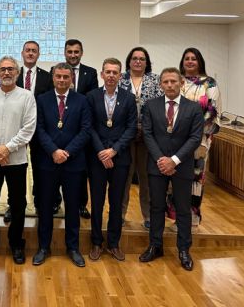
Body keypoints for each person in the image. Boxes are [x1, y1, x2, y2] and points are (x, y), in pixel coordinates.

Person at [139, 67, 204, 271]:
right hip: (157, 165)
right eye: (165, 82)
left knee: (183, 209)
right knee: (156, 206)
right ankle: (155, 246)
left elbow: (195, 138)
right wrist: (161, 159)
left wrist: (174, 160)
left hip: (182, 166)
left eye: (173, 81)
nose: (169, 85)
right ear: (160, 85)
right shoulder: (151, 106)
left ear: (181, 83)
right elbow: (147, 134)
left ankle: (183, 249)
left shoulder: (193, 108)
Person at [0, 56, 36, 264]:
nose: (7, 73)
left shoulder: (27, 97)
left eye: (11, 69)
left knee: (18, 204)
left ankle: (16, 243)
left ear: (17, 73)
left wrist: (7, 149)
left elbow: (28, 128)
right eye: (3, 69)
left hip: (17, 160)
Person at [33, 62, 91, 268]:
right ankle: (43, 247)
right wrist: (53, 151)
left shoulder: (82, 101)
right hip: (47, 162)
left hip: (73, 163)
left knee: (73, 207)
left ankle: (73, 248)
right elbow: (38, 129)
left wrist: (66, 152)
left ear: (71, 79)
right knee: (46, 206)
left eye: (66, 77)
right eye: (58, 76)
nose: (62, 80)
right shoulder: (41, 100)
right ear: (53, 77)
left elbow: (85, 130)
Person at [86, 58, 137, 262]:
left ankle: (114, 243)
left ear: (120, 75)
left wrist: (113, 151)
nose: (111, 75)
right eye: (107, 72)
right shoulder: (91, 96)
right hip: (97, 158)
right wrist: (101, 151)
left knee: (116, 202)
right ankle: (96, 242)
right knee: (97, 202)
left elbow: (131, 128)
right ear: (101, 74)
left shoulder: (128, 98)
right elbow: (88, 126)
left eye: (115, 72)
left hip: (120, 158)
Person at [177, 47, 221, 227]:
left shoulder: (209, 83)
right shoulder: (177, 81)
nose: (189, 61)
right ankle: (177, 217)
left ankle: (192, 218)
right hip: (176, 139)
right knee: (176, 178)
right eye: (186, 58)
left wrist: (194, 132)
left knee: (195, 177)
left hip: (199, 140)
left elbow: (212, 111)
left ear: (199, 61)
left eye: (193, 59)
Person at [119, 47, 163, 229]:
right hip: (125, 136)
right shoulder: (120, 79)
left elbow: (159, 106)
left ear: (147, 62)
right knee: (124, 177)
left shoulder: (155, 80)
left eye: (142, 59)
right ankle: (120, 214)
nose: (138, 61)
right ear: (129, 61)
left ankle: (148, 216)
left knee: (146, 178)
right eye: (134, 58)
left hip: (148, 136)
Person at [61, 38, 98, 219]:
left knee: (80, 169)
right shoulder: (56, 70)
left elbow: (90, 99)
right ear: (65, 53)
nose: (73, 55)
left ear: (81, 53)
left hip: (80, 126)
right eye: (70, 51)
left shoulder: (90, 73)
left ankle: (81, 204)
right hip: (59, 126)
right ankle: (55, 202)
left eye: (76, 52)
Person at [15, 40, 52, 216]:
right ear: (22, 53)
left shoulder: (47, 77)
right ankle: (14, 204)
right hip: (16, 130)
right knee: (16, 169)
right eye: (27, 50)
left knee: (39, 168)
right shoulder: (14, 75)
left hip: (39, 130)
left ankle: (39, 202)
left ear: (38, 54)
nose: (30, 53)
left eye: (34, 51)